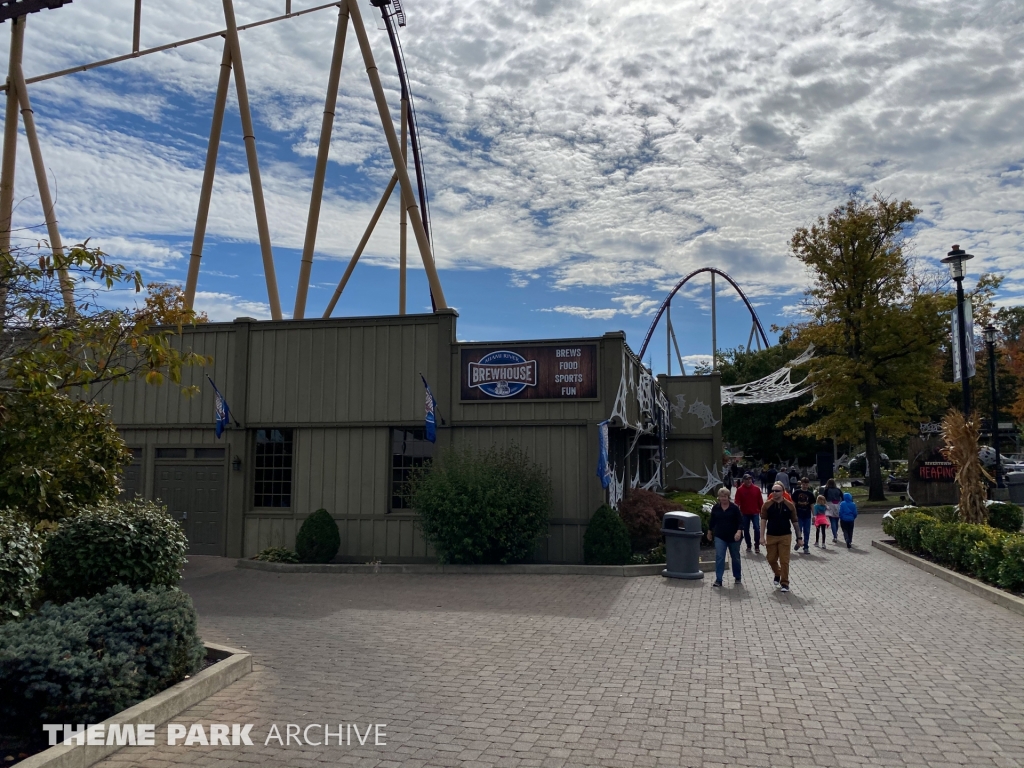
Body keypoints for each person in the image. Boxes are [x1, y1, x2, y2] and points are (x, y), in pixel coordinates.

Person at [761, 483, 801, 592]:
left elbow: (795, 522)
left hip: (785, 536)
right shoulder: (767, 505)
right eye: (773, 490)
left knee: (784, 560)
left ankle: (784, 583)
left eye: (777, 490)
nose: (774, 492)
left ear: (783, 492)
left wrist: (799, 537)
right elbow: (763, 521)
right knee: (771, 558)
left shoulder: (789, 505)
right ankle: (777, 573)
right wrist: (761, 536)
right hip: (771, 536)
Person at [707, 486, 744, 587]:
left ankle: (737, 576)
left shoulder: (734, 508)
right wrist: (709, 531)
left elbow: (740, 521)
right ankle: (719, 579)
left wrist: (739, 532)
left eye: (725, 496)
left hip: (734, 537)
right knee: (719, 556)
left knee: (735, 557)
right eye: (721, 496)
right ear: (718, 497)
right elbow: (712, 521)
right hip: (720, 536)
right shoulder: (716, 508)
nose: (723, 498)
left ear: (728, 497)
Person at [735, 473, 764, 553]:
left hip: (755, 512)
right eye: (747, 479)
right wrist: (736, 512)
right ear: (743, 481)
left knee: (757, 529)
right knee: (746, 530)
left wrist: (762, 511)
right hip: (744, 513)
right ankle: (748, 545)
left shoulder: (756, 489)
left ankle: (757, 545)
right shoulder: (740, 489)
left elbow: (760, 501)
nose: (749, 481)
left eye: (750, 479)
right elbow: (737, 501)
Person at [791, 477, 815, 554]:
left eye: (806, 484)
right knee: (799, 530)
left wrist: (814, 515)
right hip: (798, 514)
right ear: (801, 484)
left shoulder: (810, 494)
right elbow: (793, 504)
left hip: (807, 515)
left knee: (807, 531)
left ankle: (806, 546)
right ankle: (799, 541)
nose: (805, 486)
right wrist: (793, 514)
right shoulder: (797, 492)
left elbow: (812, 505)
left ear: (808, 485)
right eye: (803, 484)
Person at [824, 478, 843, 543]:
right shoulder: (838, 490)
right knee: (836, 520)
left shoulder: (827, 490)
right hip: (837, 504)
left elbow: (824, 498)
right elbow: (842, 497)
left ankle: (835, 536)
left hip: (830, 505)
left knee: (832, 521)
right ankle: (836, 533)